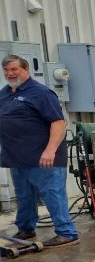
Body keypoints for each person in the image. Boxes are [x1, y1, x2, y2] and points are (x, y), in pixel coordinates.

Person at [0, 54, 79, 247]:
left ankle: (67, 233)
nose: (10, 74)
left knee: (52, 193)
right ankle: (26, 229)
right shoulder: (4, 93)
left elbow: (59, 123)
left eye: (14, 69)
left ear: (25, 69)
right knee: (25, 195)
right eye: (6, 70)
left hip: (44, 157)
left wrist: (50, 151)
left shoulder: (41, 93)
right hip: (17, 157)